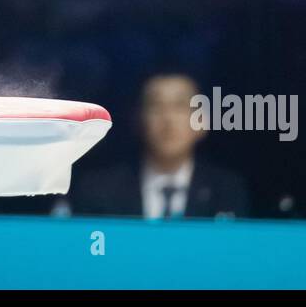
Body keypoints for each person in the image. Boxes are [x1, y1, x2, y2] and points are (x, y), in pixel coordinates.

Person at [67, 73, 251, 219]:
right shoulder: (99, 190)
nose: (168, 119)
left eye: (180, 106)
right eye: (156, 106)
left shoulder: (227, 190)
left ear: (202, 121)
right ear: (138, 119)